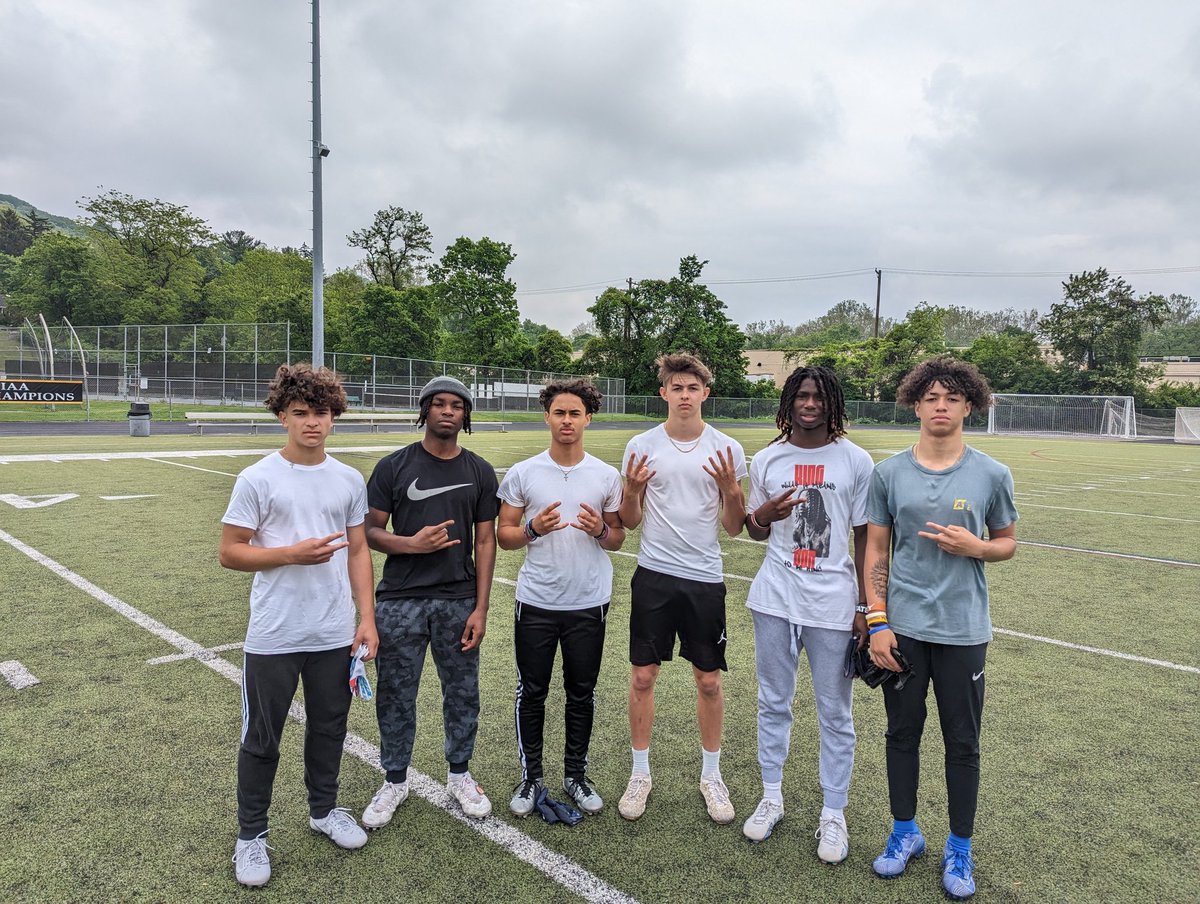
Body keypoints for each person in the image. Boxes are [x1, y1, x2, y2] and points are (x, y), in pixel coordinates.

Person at [219, 363, 378, 888]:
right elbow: (229, 552)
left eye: (322, 413)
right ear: (283, 415)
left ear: (335, 417)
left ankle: (324, 810)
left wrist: (366, 619)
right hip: (276, 634)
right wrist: (290, 554)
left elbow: (358, 551)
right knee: (262, 737)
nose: (312, 422)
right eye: (301, 413)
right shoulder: (258, 478)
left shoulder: (349, 479)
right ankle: (251, 837)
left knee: (330, 728)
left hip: (333, 633)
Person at [865, 356, 1018, 900]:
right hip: (901, 630)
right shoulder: (888, 474)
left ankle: (960, 846)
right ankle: (904, 832)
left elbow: (1007, 541)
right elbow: (876, 550)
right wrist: (876, 621)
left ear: (969, 404)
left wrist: (977, 548)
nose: (941, 406)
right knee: (902, 733)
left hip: (963, 629)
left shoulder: (992, 474)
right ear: (915, 403)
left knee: (963, 741)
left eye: (952, 397)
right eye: (931, 397)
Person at [740, 366, 873, 863]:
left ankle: (832, 814)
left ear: (831, 402)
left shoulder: (856, 460)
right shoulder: (769, 458)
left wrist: (865, 606)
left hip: (832, 605)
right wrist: (763, 517)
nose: (809, 403)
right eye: (801, 394)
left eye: (818, 395)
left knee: (835, 713)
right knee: (773, 701)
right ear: (789, 400)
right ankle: (771, 796)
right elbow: (753, 528)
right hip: (775, 598)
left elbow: (865, 537)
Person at [359, 376, 499, 828]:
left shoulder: (478, 470)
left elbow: (486, 541)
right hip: (400, 601)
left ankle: (460, 774)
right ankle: (395, 779)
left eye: (456, 406)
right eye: (438, 404)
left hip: (459, 601)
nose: (446, 411)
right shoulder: (394, 466)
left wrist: (481, 607)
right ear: (424, 410)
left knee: (462, 694)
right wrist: (410, 544)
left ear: (465, 416)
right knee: (396, 694)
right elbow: (369, 532)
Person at [617, 352, 748, 824]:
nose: (686, 395)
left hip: (705, 578)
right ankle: (640, 773)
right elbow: (629, 522)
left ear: (705, 393)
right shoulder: (641, 444)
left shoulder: (727, 448)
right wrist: (631, 491)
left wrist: (732, 490)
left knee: (709, 680)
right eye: (677, 387)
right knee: (642, 677)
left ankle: (711, 775)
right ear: (664, 393)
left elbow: (734, 527)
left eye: (693, 388)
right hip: (653, 574)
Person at [496, 379, 626, 817]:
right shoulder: (524, 473)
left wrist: (600, 531)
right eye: (559, 412)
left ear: (588, 418)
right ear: (547, 416)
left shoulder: (606, 476)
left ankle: (575, 774)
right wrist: (534, 529)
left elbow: (618, 539)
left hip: (588, 601)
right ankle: (531, 777)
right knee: (531, 692)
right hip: (536, 601)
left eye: (575, 413)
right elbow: (506, 536)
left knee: (581, 692)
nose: (566, 420)